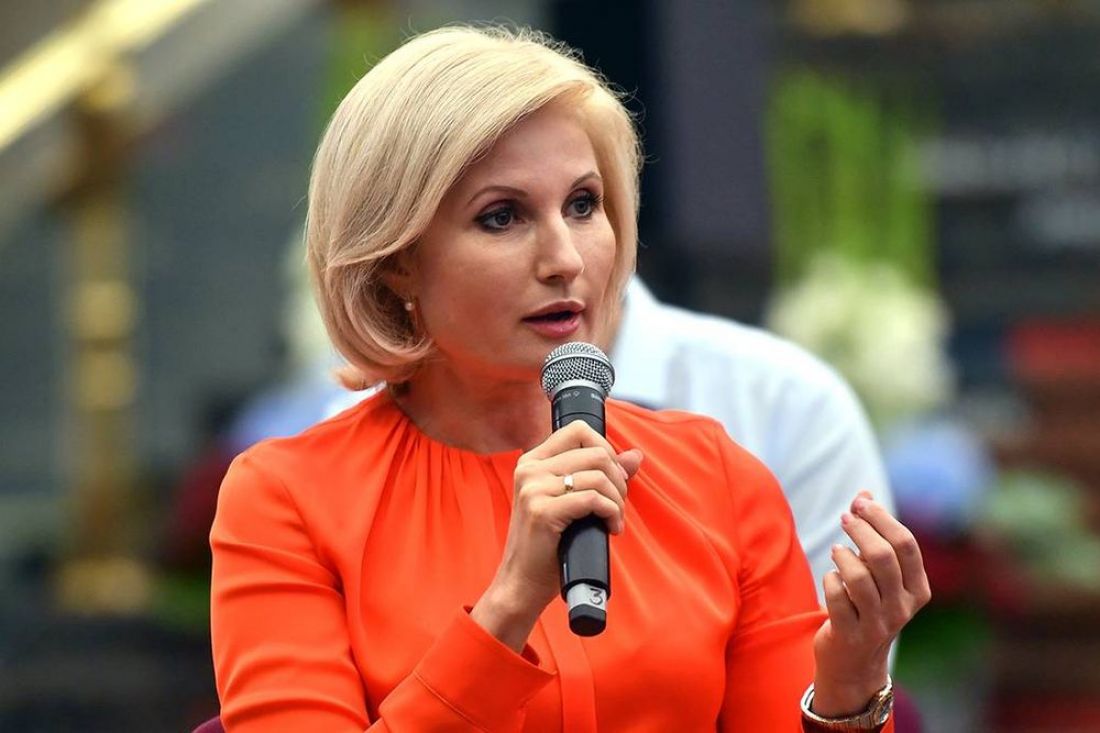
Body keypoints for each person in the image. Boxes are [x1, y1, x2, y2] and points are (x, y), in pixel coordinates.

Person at [209, 25, 930, 732]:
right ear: (395, 259)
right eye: (502, 217)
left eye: (583, 205)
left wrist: (848, 692)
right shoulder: (288, 500)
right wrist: (509, 606)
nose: (565, 258)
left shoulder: (716, 477)